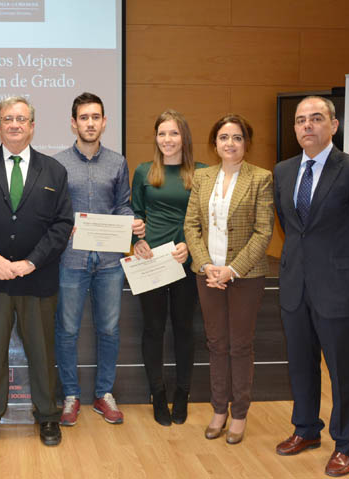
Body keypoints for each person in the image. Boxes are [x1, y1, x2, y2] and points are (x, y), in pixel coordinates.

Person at [273, 96, 349, 477]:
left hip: (340, 289)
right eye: (301, 120)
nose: (308, 126)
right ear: (294, 128)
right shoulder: (284, 171)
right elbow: (291, 226)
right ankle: (305, 429)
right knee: (301, 365)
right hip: (295, 286)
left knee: (342, 369)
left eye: (316, 118)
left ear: (334, 125)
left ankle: (346, 443)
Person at [0, 96, 73, 449]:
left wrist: (32, 261)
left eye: (22, 119)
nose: (15, 124)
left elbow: (62, 224)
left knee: (42, 352)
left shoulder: (54, 170)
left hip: (37, 279)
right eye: (8, 118)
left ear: (33, 126)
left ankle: (48, 416)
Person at [53, 92, 145, 426]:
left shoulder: (117, 162)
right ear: (73, 122)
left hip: (109, 261)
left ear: (104, 122)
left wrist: (131, 219)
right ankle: (71, 395)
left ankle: (103, 393)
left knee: (109, 329)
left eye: (96, 117)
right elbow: (55, 212)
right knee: (66, 330)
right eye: (84, 117)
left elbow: (122, 203)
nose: (90, 123)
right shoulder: (58, 163)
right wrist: (65, 228)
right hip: (71, 259)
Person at [184, 114, 274, 445]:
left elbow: (264, 231)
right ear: (215, 142)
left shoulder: (261, 178)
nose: (230, 143)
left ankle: (239, 414)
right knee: (217, 343)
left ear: (246, 143)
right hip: (207, 275)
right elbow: (191, 225)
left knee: (240, 344)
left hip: (245, 276)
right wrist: (206, 265)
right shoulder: (202, 177)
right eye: (224, 137)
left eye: (237, 137)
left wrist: (231, 269)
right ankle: (219, 409)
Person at [130, 109, 204, 426]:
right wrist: (135, 241)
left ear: (183, 137)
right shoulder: (144, 171)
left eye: (173, 133)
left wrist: (191, 245)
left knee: (185, 330)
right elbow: (135, 214)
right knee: (153, 330)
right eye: (162, 133)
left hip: (186, 263)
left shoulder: (201, 173)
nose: (167, 139)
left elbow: (205, 219)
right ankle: (158, 395)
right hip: (151, 263)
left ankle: (182, 395)